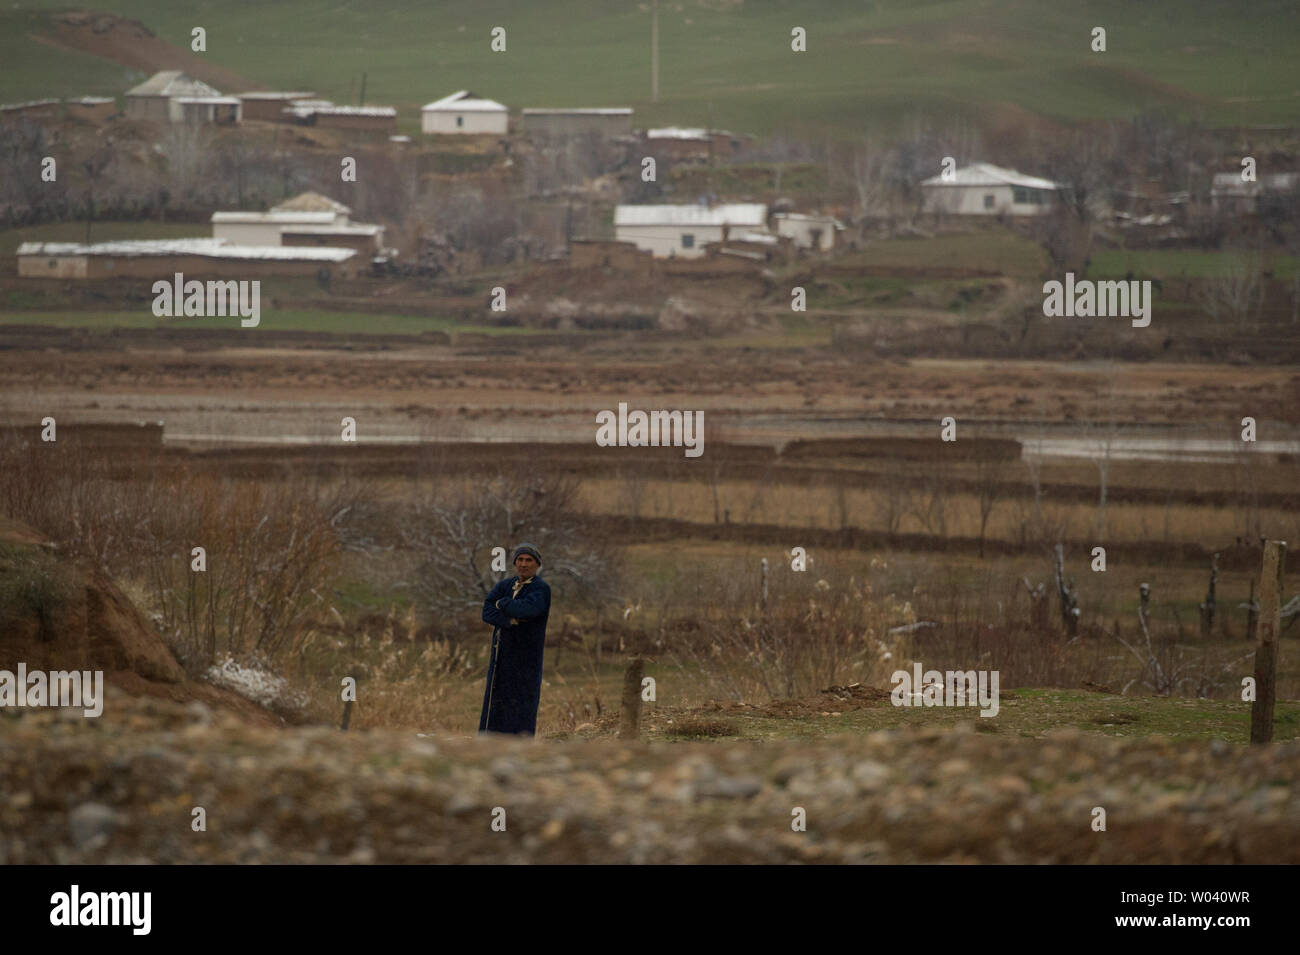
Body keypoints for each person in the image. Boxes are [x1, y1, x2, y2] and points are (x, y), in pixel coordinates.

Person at [478, 543, 551, 736]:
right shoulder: (504, 585)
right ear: (515, 563)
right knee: (496, 697)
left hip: (526, 656)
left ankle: (519, 742)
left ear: (537, 564)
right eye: (520, 560)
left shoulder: (541, 589)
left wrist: (503, 603)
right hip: (501, 654)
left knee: (522, 699)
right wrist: (509, 620)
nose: (524, 564)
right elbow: (486, 612)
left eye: (528, 560)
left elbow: (528, 609)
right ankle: (490, 738)